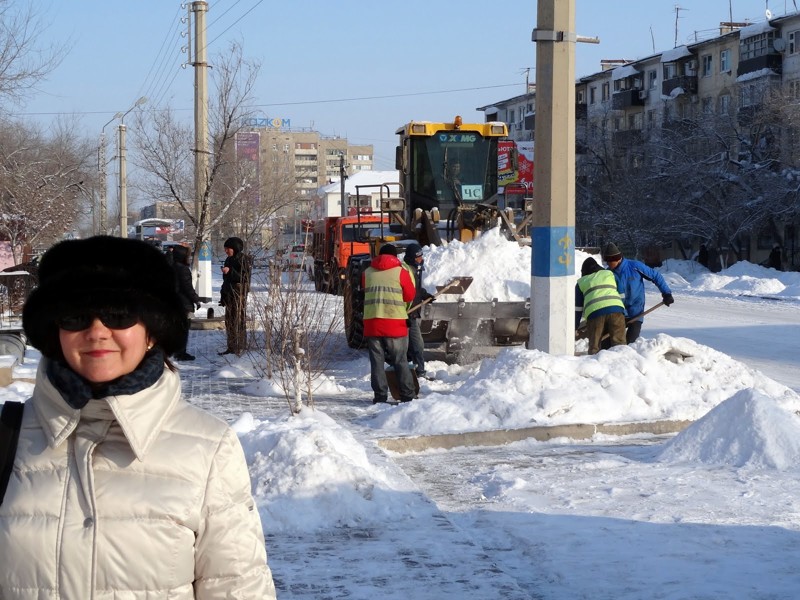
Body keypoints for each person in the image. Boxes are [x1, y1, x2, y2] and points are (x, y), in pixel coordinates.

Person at [1, 235, 275, 598]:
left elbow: (237, 589)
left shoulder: (209, 449)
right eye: (76, 316)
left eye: (119, 314)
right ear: (56, 331)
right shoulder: (7, 438)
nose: (97, 332)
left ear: (152, 331)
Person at [362, 243, 416, 403]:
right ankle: (407, 395)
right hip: (395, 324)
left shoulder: (367, 272)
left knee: (376, 362)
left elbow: (365, 291)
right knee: (400, 360)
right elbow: (410, 295)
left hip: (372, 324)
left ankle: (380, 396)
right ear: (394, 256)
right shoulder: (401, 272)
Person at [602, 242, 674, 344]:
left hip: (636, 312)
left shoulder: (635, 266)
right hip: (618, 313)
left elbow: (656, 276)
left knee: (631, 343)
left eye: (609, 262)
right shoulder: (608, 273)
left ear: (617, 259)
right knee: (611, 344)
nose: (608, 264)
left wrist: (666, 293)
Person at [575, 257, 626, 355]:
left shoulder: (581, 282)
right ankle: (623, 367)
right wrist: (621, 311)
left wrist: (575, 326)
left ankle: (595, 368)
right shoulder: (610, 274)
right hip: (616, 310)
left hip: (594, 314)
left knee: (595, 347)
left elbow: (578, 308)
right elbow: (622, 295)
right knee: (620, 345)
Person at [403, 242, 434, 379]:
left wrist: (424, 295)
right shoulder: (405, 270)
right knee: (405, 347)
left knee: (417, 345)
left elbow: (415, 289)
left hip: (412, 315)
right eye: (418, 258)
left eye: (421, 257)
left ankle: (419, 372)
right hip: (405, 314)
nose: (421, 260)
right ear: (411, 258)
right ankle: (407, 373)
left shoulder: (414, 271)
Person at [219, 236, 250, 356]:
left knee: (238, 320)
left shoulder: (243, 259)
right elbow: (226, 281)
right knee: (229, 321)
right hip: (229, 294)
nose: (226, 251)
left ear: (235, 248)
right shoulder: (229, 259)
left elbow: (244, 277)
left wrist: (230, 271)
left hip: (238, 295)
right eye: (225, 249)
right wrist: (223, 296)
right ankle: (231, 347)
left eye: (228, 248)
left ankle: (240, 347)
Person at [172, 244, 202, 361]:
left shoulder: (172, 266)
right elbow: (187, 288)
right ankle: (181, 353)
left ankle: (177, 351)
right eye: (187, 256)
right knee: (183, 329)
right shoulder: (183, 269)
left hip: (174, 302)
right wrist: (196, 300)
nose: (189, 258)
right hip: (183, 303)